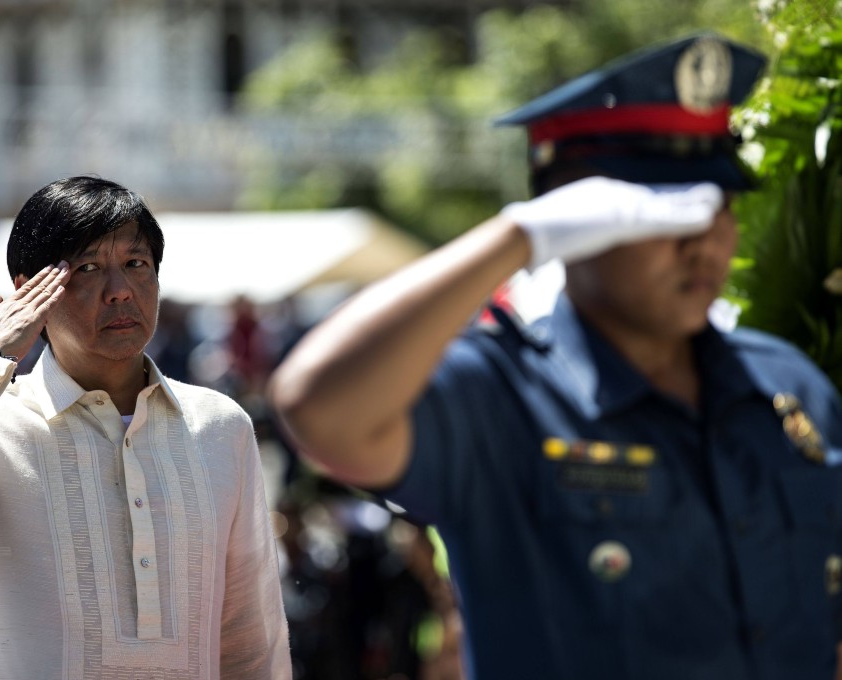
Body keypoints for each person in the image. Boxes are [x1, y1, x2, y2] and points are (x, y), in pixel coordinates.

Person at [268, 33, 842, 680]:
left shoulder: (790, 387)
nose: (703, 241)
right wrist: (522, 234)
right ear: (574, 219)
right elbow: (316, 404)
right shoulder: (497, 396)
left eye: (720, 204)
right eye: (661, 213)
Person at [0, 176, 291, 679]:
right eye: (89, 268)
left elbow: (251, 641)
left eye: (136, 265)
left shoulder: (220, 427)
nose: (120, 291)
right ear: (26, 292)